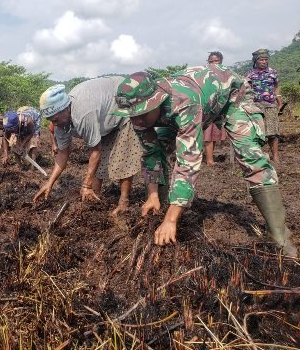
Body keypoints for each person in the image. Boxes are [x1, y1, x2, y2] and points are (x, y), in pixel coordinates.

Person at [112, 65, 297, 256]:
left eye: (142, 113)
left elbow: (188, 161)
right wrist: (152, 195)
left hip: (233, 98)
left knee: (250, 156)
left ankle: (279, 236)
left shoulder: (183, 102)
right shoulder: (138, 118)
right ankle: (163, 208)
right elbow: (151, 154)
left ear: (156, 101)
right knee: (159, 146)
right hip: (200, 105)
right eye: (133, 115)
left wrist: (171, 221)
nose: (138, 120)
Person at [33, 78, 141, 216]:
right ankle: (94, 199)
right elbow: (62, 154)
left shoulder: (83, 113)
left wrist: (85, 185)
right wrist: (49, 183)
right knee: (97, 166)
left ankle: (123, 203)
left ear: (66, 108)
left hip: (122, 109)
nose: (55, 124)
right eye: (51, 120)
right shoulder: (60, 123)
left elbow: (95, 150)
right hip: (103, 118)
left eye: (55, 119)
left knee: (123, 160)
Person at [246, 49, 282, 162]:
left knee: (273, 132)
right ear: (256, 61)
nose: (264, 61)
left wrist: (279, 100)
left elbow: (277, 87)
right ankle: (258, 155)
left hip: (270, 105)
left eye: (266, 59)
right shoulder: (250, 74)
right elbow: (247, 89)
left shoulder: (273, 72)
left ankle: (275, 156)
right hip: (255, 106)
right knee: (257, 132)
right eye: (262, 59)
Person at [204, 51, 228, 165]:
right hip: (207, 108)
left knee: (215, 133)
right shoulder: (204, 74)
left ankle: (210, 157)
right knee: (208, 134)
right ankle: (209, 160)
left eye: (216, 61)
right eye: (211, 61)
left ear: (221, 61)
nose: (213, 63)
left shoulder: (226, 74)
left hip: (220, 108)